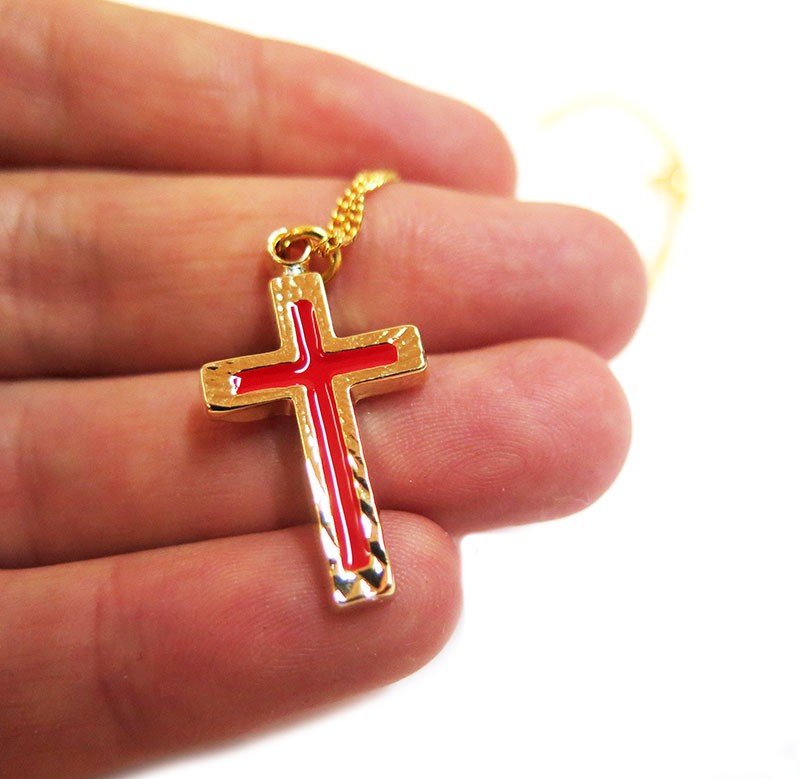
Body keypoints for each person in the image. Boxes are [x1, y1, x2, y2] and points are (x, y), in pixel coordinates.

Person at [0, 1, 647, 776]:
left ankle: (358, 565)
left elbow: (399, 350)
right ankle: (356, 564)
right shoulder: (287, 350)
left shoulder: (348, 347)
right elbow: (226, 384)